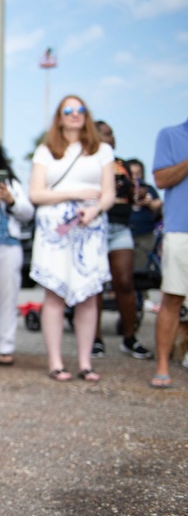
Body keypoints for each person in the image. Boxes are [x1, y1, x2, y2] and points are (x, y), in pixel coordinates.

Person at [28, 95, 115, 382]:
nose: (75, 114)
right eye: (69, 110)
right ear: (60, 116)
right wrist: (73, 194)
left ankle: (85, 362)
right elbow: (36, 194)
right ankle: (55, 361)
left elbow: (109, 193)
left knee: (88, 296)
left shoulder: (101, 150)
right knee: (53, 294)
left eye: (80, 110)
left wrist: (94, 210)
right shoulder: (46, 151)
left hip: (89, 229)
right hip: (54, 231)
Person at [90, 121, 152, 359]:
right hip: (95, 226)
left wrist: (139, 195)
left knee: (125, 282)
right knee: (95, 285)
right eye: (104, 134)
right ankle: (95, 339)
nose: (110, 137)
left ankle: (129, 337)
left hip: (120, 227)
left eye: (112, 133)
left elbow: (132, 195)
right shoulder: (87, 163)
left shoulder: (122, 165)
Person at [0, 137, 34, 366]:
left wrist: (10, 199)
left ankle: (6, 346)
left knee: (8, 297)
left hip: (8, 244)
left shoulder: (11, 183)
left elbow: (27, 213)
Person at [149, 117, 188, 389]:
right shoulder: (171, 135)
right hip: (181, 228)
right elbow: (161, 179)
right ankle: (163, 365)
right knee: (172, 298)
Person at [127, 157, 163, 268]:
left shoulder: (148, 189)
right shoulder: (120, 189)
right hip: (125, 234)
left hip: (145, 235)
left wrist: (150, 203)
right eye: (132, 173)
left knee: (141, 269)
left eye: (138, 173)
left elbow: (158, 204)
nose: (135, 177)